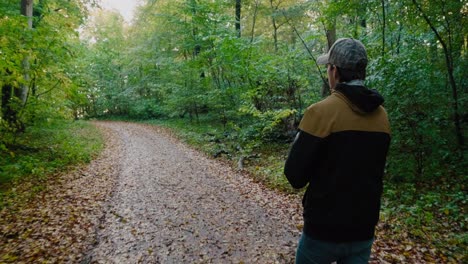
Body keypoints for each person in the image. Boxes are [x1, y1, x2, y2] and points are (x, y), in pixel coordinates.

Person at [284, 38, 391, 264]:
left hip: (322, 232)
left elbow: (294, 176)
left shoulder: (320, 112)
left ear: (334, 70)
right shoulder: (381, 116)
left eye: (328, 68)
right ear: (362, 72)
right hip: (363, 230)